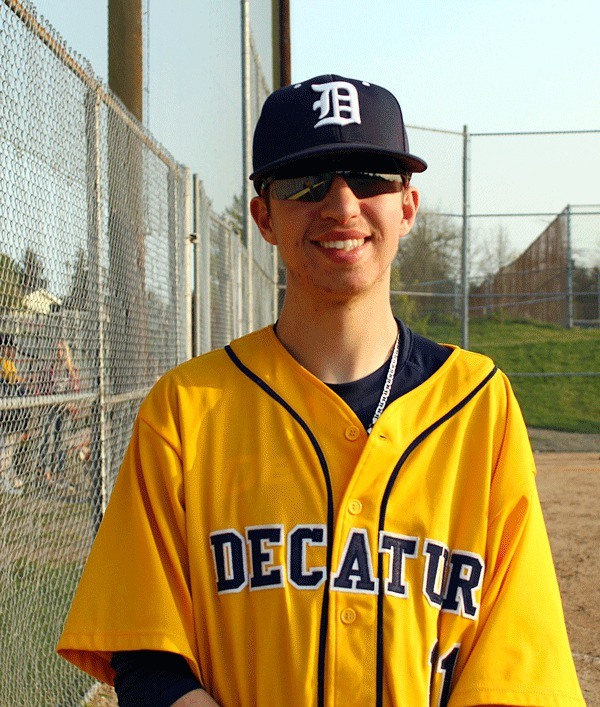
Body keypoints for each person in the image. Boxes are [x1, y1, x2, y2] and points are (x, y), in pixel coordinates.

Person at [57, 75, 584, 706]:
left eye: (368, 176)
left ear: (406, 206)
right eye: (306, 181)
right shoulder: (186, 408)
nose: (341, 205)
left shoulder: (479, 403)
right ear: (264, 217)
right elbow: (144, 648)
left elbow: (518, 670)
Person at [38, 339, 81, 486]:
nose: (58, 353)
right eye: (57, 350)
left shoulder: (71, 370)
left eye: (61, 350)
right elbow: (44, 387)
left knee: (61, 440)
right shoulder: (51, 369)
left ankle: (60, 473)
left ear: (66, 352)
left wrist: (71, 404)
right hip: (52, 406)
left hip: (65, 408)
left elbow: (76, 390)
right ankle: (46, 473)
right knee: (48, 438)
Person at [0, 333, 27, 494]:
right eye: (11, 348)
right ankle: (5, 482)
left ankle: (8, 478)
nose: (14, 351)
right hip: (8, 416)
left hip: (12, 415)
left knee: (7, 450)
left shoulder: (9, 364)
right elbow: (13, 382)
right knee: (6, 451)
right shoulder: (5, 363)